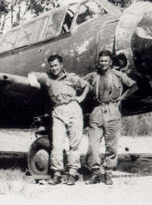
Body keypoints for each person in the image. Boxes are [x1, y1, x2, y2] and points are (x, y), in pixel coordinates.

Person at [29, 54, 89, 185]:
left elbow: (86, 85)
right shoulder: (47, 78)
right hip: (57, 111)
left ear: (61, 65)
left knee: (74, 144)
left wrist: (81, 98)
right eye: (52, 66)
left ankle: (72, 173)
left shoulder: (71, 77)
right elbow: (32, 74)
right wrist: (32, 78)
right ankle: (57, 173)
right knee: (57, 144)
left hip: (73, 109)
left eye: (56, 65)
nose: (54, 68)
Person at [83, 50, 137, 185]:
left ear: (110, 62)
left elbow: (133, 85)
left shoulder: (118, 75)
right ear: (98, 62)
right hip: (96, 110)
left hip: (113, 110)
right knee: (93, 144)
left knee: (111, 145)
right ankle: (95, 172)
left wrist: (121, 99)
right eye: (101, 61)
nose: (103, 63)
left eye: (105, 61)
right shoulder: (93, 75)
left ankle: (108, 172)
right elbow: (80, 83)